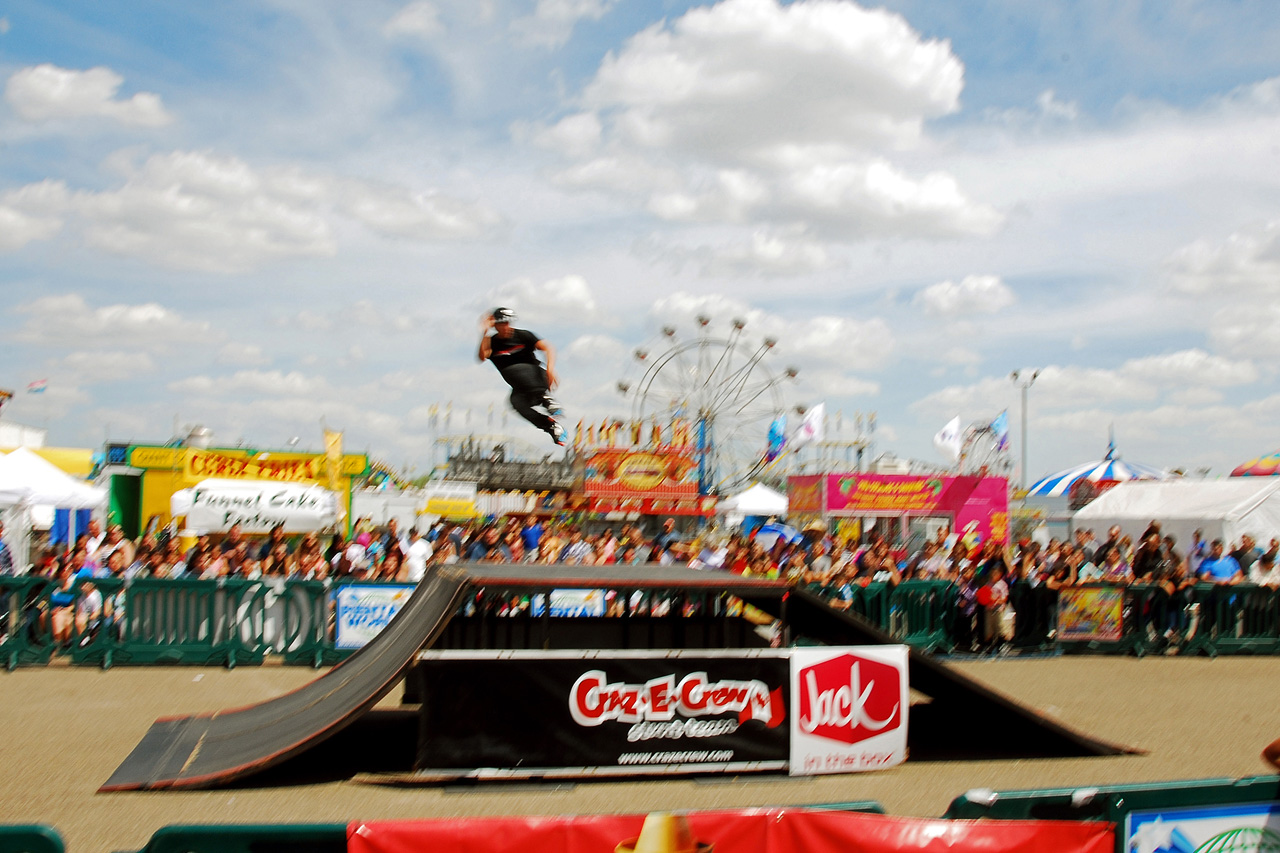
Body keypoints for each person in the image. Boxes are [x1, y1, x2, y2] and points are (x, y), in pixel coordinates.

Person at [477, 307, 565, 445]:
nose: (506, 327)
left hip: (537, 378)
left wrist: (550, 369)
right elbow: (482, 356)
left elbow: (548, 348)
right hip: (521, 387)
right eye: (502, 324)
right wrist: (484, 332)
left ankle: (545, 399)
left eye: (508, 323)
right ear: (495, 325)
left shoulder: (523, 336)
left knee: (517, 369)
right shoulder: (491, 343)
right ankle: (551, 427)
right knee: (516, 402)